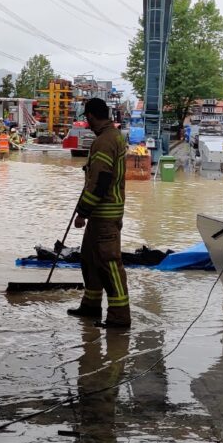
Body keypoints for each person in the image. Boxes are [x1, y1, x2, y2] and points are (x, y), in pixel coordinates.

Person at [67, 97, 130, 328]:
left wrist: (82, 212)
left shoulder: (105, 141)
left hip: (105, 214)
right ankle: (91, 306)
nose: (88, 123)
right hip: (100, 214)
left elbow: (101, 180)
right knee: (90, 259)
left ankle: (119, 316)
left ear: (91, 116)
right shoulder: (112, 136)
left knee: (109, 263)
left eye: (87, 119)